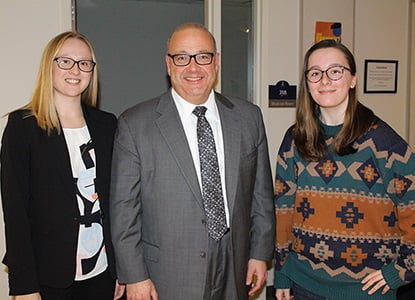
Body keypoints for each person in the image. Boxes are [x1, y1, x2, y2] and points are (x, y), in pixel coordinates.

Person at [109, 22, 275, 300]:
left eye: (203, 56)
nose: (193, 67)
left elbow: (261, 194)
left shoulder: (248, 117)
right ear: (169, 64)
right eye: (182, 57)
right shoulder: (135, 124)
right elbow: (123, 210)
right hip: (168, 272)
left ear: (216, 61)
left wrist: (259, 253)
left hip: (234, 264)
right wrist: (134, 274)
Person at [273, 38, 415, 300]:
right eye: (315, 73)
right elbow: (283, 211)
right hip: (304, 286)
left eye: (335, 71)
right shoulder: (295, 139)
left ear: (352, 79)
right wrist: (282, 271)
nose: (325, 80)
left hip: (367, 290)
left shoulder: (385, 143)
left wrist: (401, 271)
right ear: (307, 82)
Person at [1, 31, 124, 300]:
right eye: (65, 61)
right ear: (49, 66)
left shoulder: (107, 125)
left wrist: (121, 269)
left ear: (92, 70)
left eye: (84, 63)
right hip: (49, 277)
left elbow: (116, 204)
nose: (75, 70)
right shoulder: (23, 126)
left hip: (102, 273)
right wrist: (24, 287)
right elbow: (16, 212)